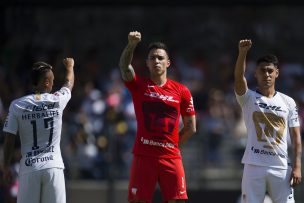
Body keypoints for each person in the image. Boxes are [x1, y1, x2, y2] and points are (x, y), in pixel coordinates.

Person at [119, 31, 196, 203]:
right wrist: (131, 44)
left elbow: (191, 127)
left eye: (160, 58)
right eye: (152, 58)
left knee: (178, 200)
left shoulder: (182, 91)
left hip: (171, 157)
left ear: (168, 63)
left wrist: (172, 145)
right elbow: (124, 67)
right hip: (144, 156)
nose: (156, 61)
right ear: (147, 63)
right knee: (138, 200)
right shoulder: (139, 85)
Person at [234, 39, 302, 203]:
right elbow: (238, 77)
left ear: (277, 73)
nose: (266, 74)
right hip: (254, 165)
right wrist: (242, 53)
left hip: (281, 166)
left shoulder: (289, 102)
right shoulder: (248, 98)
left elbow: (296, 138)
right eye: (262, 71)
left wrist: (298, 166)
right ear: (255, 73)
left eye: (270, 71)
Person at [2, 58, 75, 203]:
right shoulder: (57, 100)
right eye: (52, 80)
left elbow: (9, 138)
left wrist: (5, 167)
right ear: (46, 82)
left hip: (29, 168)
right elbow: (68, 83)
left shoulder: (17, 105)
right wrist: (70, 67)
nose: (54, 84)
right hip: (53, 167)